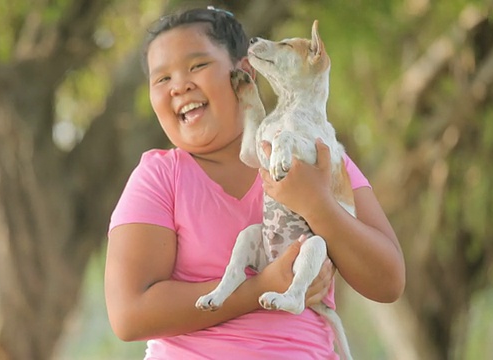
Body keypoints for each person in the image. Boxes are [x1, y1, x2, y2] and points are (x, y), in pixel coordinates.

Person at [104, 6, 405, 359]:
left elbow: (388, 280)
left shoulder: (320, 154)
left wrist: (317, 204)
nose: (179, 85)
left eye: (197, 66)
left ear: (244, 70)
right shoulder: (158, 178)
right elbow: (129, 315)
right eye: (162, 79)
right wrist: (259, 287)